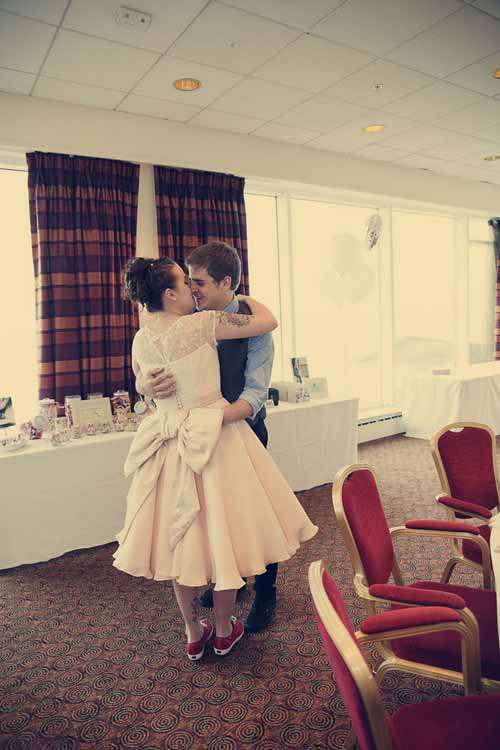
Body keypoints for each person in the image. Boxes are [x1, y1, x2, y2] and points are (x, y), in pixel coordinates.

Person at [115, 257, 318, 661]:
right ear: (169, 294)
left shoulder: (140, 339)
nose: (192, 289)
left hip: (169, 448)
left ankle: (193, 632)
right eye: (184, 282)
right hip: (217, 439)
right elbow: (268, 321)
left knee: (180, 540)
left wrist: (143, 385)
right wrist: (246, 297)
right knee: (226, 533)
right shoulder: (201, 324)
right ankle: (224, 630)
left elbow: (146, 385)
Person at [138, 242, 278, 633]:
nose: (193, 289)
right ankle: (227, 581)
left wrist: (214, 420)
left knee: (255, 516)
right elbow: (152, 370)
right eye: (188, 281)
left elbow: (255, 394)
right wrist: (145, 386)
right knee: (211, 516)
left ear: (225, 283)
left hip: (241, 430)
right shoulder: (192, 319)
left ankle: (265, 592)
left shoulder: (250, 327)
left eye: (198, 282)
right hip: (197, 435)